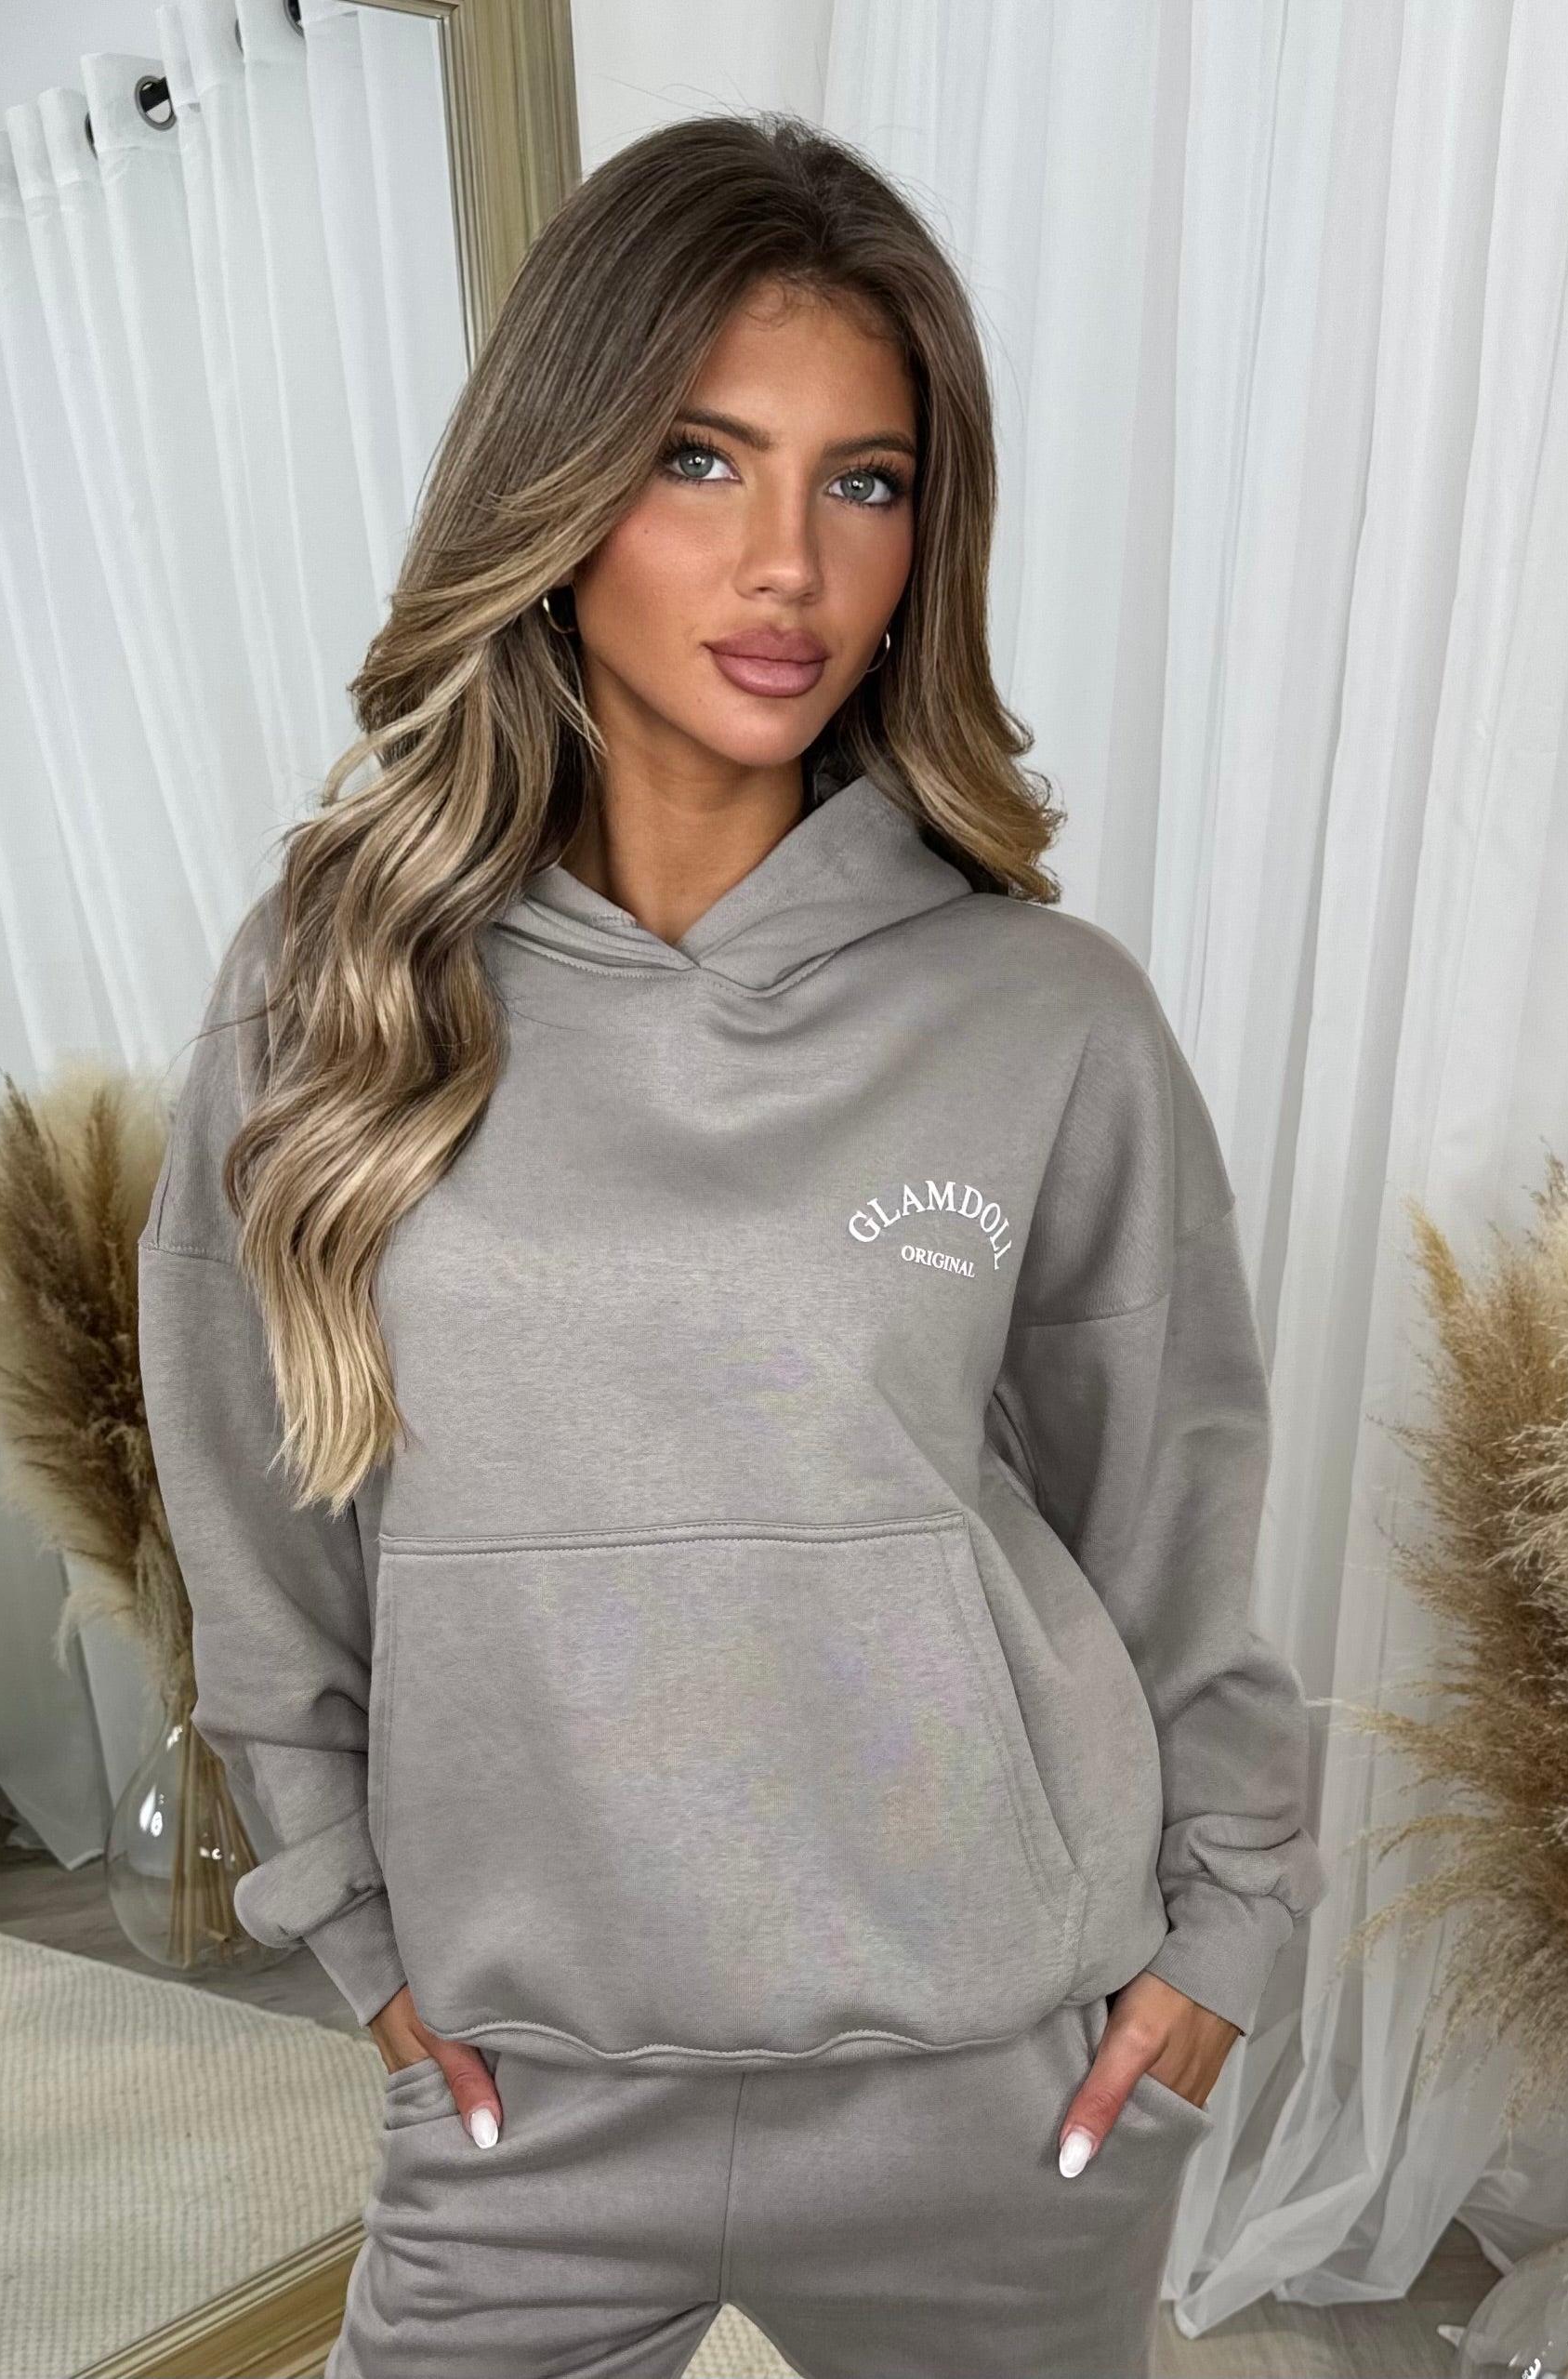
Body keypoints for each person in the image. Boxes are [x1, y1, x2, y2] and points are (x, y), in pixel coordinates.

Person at [137, 110, 1327, 2379]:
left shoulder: (1040, 1015)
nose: (788, 562)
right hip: (520, 2091)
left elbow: (1169, 1528)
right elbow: (257, 1521)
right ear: (560, 485)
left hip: (995, 2086)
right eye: (701, 460)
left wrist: (1224, 1937)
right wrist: (350, 1929)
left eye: (862, 482)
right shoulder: (331, 987)